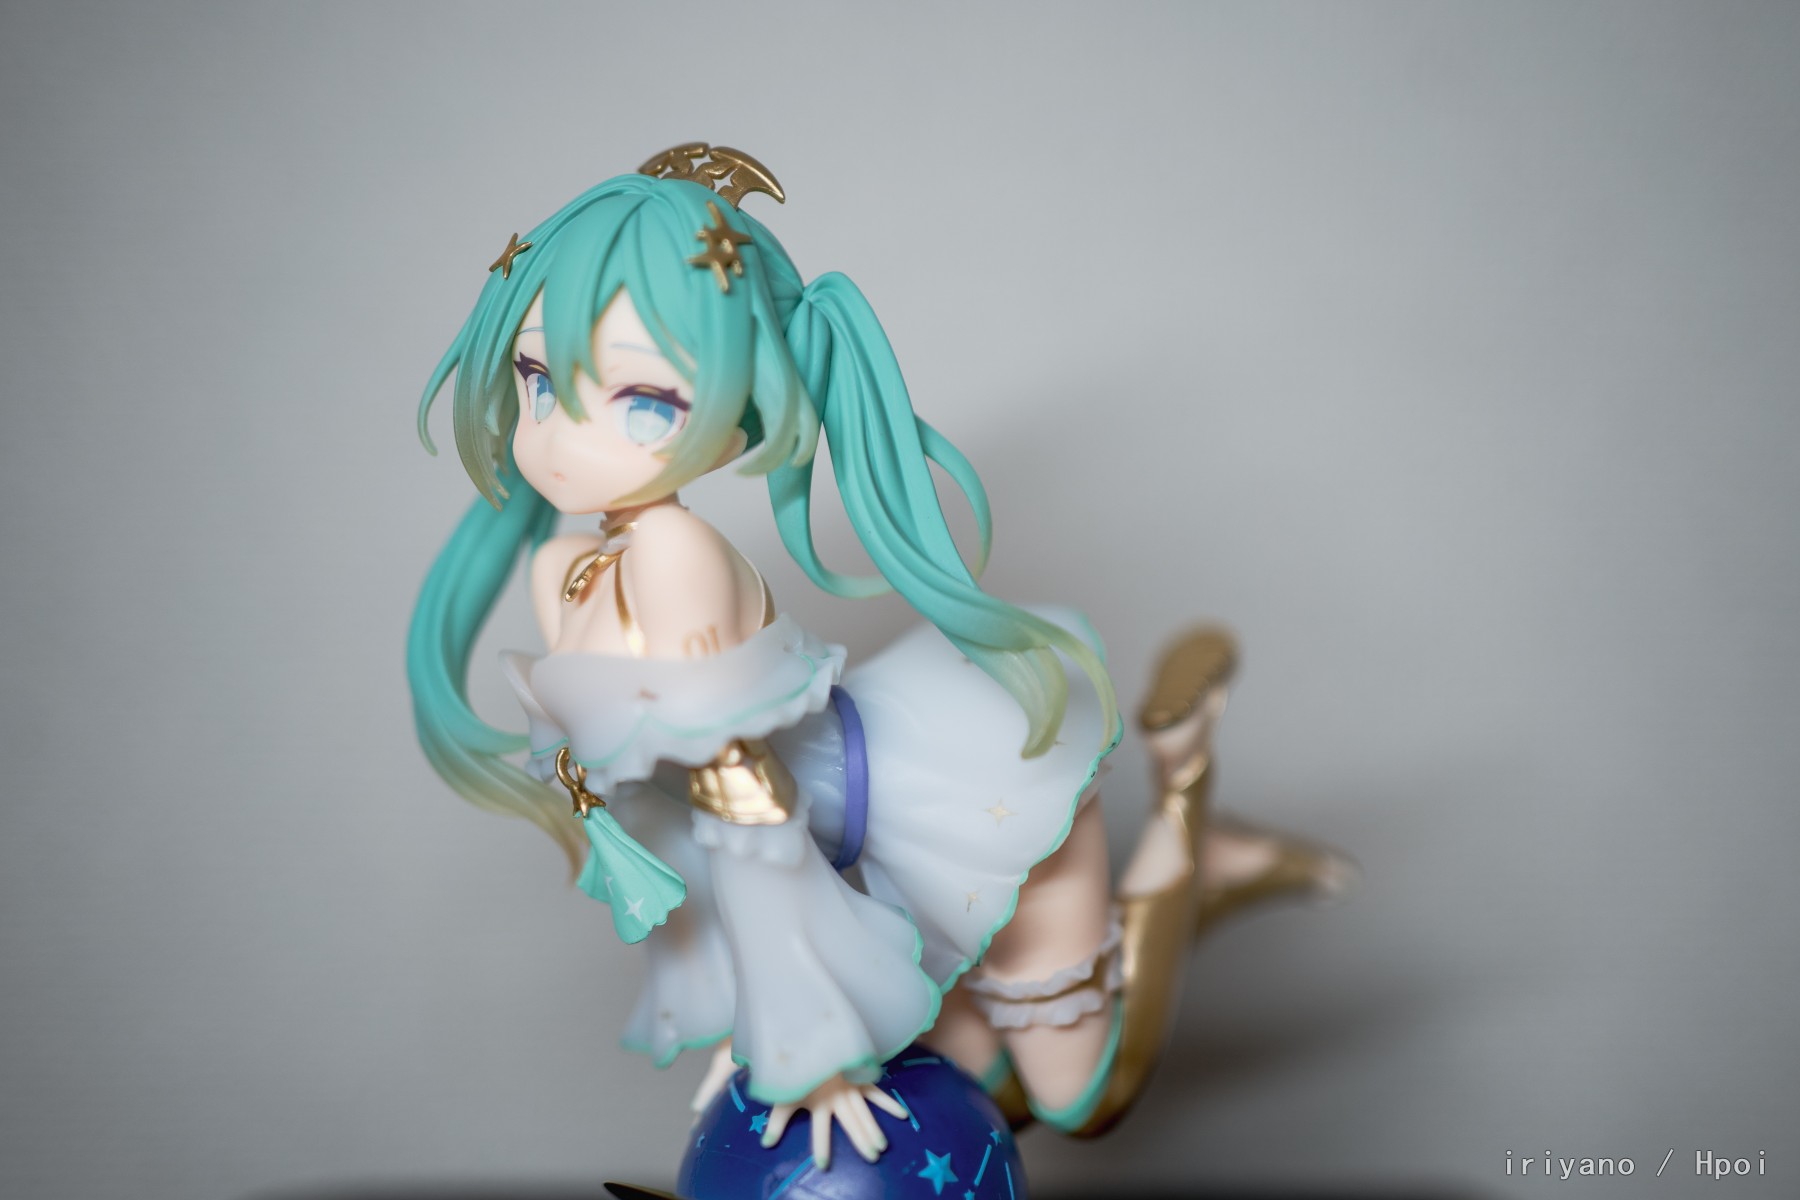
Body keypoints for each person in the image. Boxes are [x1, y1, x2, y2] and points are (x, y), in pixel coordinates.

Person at [407, 145, 1345, 1170]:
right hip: (857, 866)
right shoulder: (566, 569)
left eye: (642, 402)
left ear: (736, 407)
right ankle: (1186, 876)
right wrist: (747, 1023)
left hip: (948, 800)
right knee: (982, 1093)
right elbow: (670, 834)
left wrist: (800, 1040)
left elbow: (748, 815)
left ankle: (1188, 813)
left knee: (1082, 1097)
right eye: (540, 382)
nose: (558, 443)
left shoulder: (678, 563)